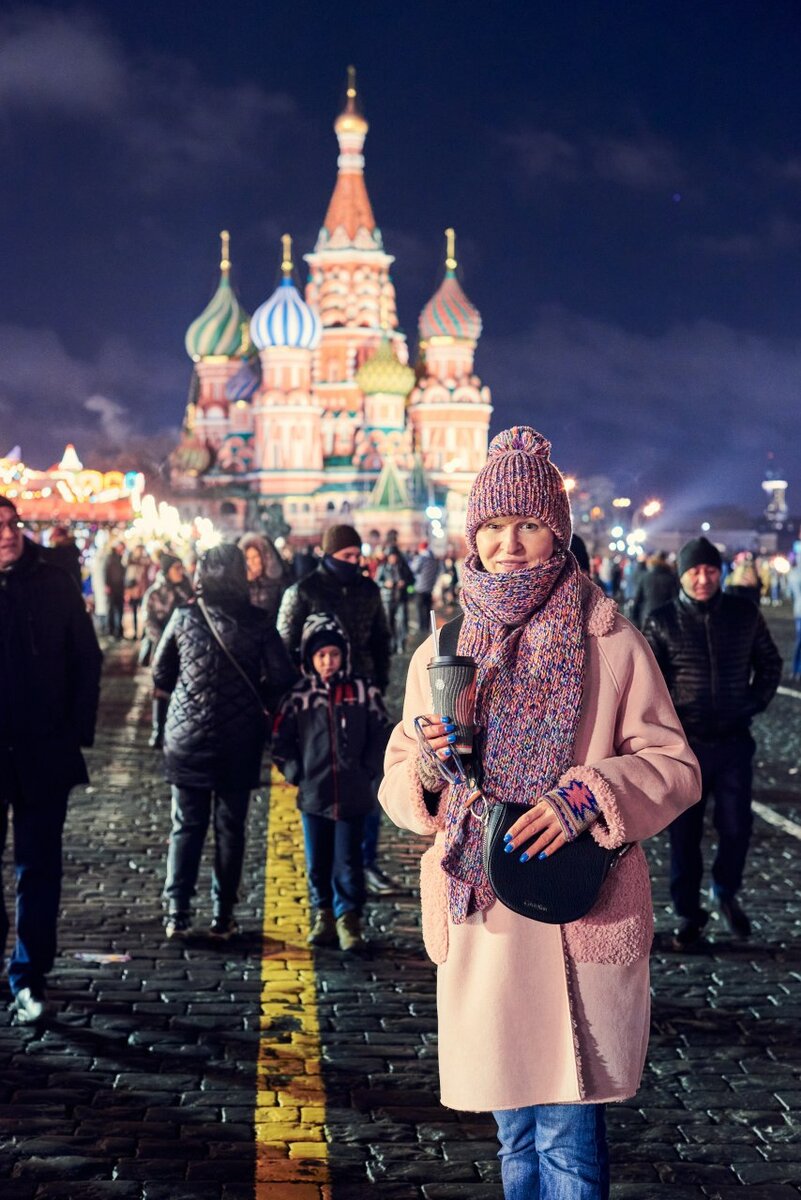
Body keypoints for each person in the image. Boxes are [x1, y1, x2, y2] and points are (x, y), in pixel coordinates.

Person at [379, 428, 700, 1200]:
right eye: (491, 528)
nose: (508, 544)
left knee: (564, 1134)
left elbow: (674, 768)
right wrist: (427, 763)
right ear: (472, 539)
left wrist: (587, 796)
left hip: (571, 912)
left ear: (556, 530)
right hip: (483, 919)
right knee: (515, 1136)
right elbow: (396, 785)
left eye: (525, 525)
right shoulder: (443, 648)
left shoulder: (609, 638)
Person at [152, 543, 296, 940]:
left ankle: (177, 910)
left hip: (187, 737)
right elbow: (283, 678)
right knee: (231, 828)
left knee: (186, 825)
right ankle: (223, 914)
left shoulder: (184, 616)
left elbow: (160, 674)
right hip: (240, 740)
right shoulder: (258, 621)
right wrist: (257, 703)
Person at [644, 536, 782, 947]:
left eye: (709, 570)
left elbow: (769, 663)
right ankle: (689, 915)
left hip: (735, 741)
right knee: (684, 835)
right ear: (682, 574)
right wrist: (668, 726)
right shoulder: (663, 619)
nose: (702, 578)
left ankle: (726, 891)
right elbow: (652, 682)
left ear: (720, 573)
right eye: (694, 571)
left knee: (737, 826)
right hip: (686, 747)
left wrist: (752, 703)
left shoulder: (744, 613)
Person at [0, 497, 103, 1024]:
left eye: (12, 523)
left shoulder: (53, 579)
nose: (7, 533)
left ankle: (29, 973)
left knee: (39, 869)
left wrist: (74, 731)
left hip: (43, 749)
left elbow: (87, 658)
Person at [278, 523, 395, 895]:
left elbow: (382, 639)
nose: (355, 562)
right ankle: (327, 875)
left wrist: (377, 682)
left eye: (357, 555)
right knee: (323, 783)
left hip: (360, 695)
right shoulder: (303, 591)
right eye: (347, 557)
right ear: (329, 555)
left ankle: (365, 862)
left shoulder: (368, 589)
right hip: (317, 697)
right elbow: (285, 643)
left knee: (367, 781)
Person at [272, 613, 390, 952]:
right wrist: (297, 772)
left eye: (334, 655)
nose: (328, 662)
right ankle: (322, 913)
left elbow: (383, 731)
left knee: (349, 860)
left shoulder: (362, 691)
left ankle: (348, 918)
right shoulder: (300, 696)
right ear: (310, 657)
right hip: (314, 795)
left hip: (354, 795)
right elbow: (281, 740)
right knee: (317, 860)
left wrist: (368, 768)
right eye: (321, 655)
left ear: (345, 655)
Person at [238, 531, 288, 626]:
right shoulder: (241, 585)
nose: (251, 562)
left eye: (255, 557)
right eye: (247, 558)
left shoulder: (277, 584)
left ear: (264, 557)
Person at [375, 546, 413, 653]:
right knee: (389, 623)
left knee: (402, 622)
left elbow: (411, 580)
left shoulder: (403, 567)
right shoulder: (383, 568)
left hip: (401, 598)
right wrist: (385, 584)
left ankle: (401, 644)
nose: (393, 558)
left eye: (395, 556)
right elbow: (377, 582)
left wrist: (404, 582)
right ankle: (391, 645)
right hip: (388, 598)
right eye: (391, 556)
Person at [628, 551, 678, 629]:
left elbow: (638, 599)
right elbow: (675, 599)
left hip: (646, 615)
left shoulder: (646, 577)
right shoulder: (671, 578)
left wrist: (634, 617)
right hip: (666, 618)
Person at [410, 541, 441, 632]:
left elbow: (414, 569)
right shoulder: (433, 559)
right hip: (430, 587)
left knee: (420, 608)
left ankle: (421, 628)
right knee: (427, 608)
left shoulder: (421, 558)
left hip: (420, 587)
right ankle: (427, 627)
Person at [124, 545, 150, 639]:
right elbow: (129, 578)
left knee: (143, 611)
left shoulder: (144, 561)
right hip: (134, 591)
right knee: (134, 611)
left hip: (142, 591)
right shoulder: (131, 562)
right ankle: (135, 632)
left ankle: (143, 632)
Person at [104, 541, 126, 639]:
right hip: (112, 588)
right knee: (112, 610)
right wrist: (107, 585)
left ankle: (119, 632)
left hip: (119, 588)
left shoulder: (120, 558)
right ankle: (111, 631)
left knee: (120, 610)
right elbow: (106, 571)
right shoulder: (111, 558)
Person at [787, 557, 801, 683]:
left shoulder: (793, 573)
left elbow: (789, 593)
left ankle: (795, 670)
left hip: (798, 609)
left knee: (799, 641)